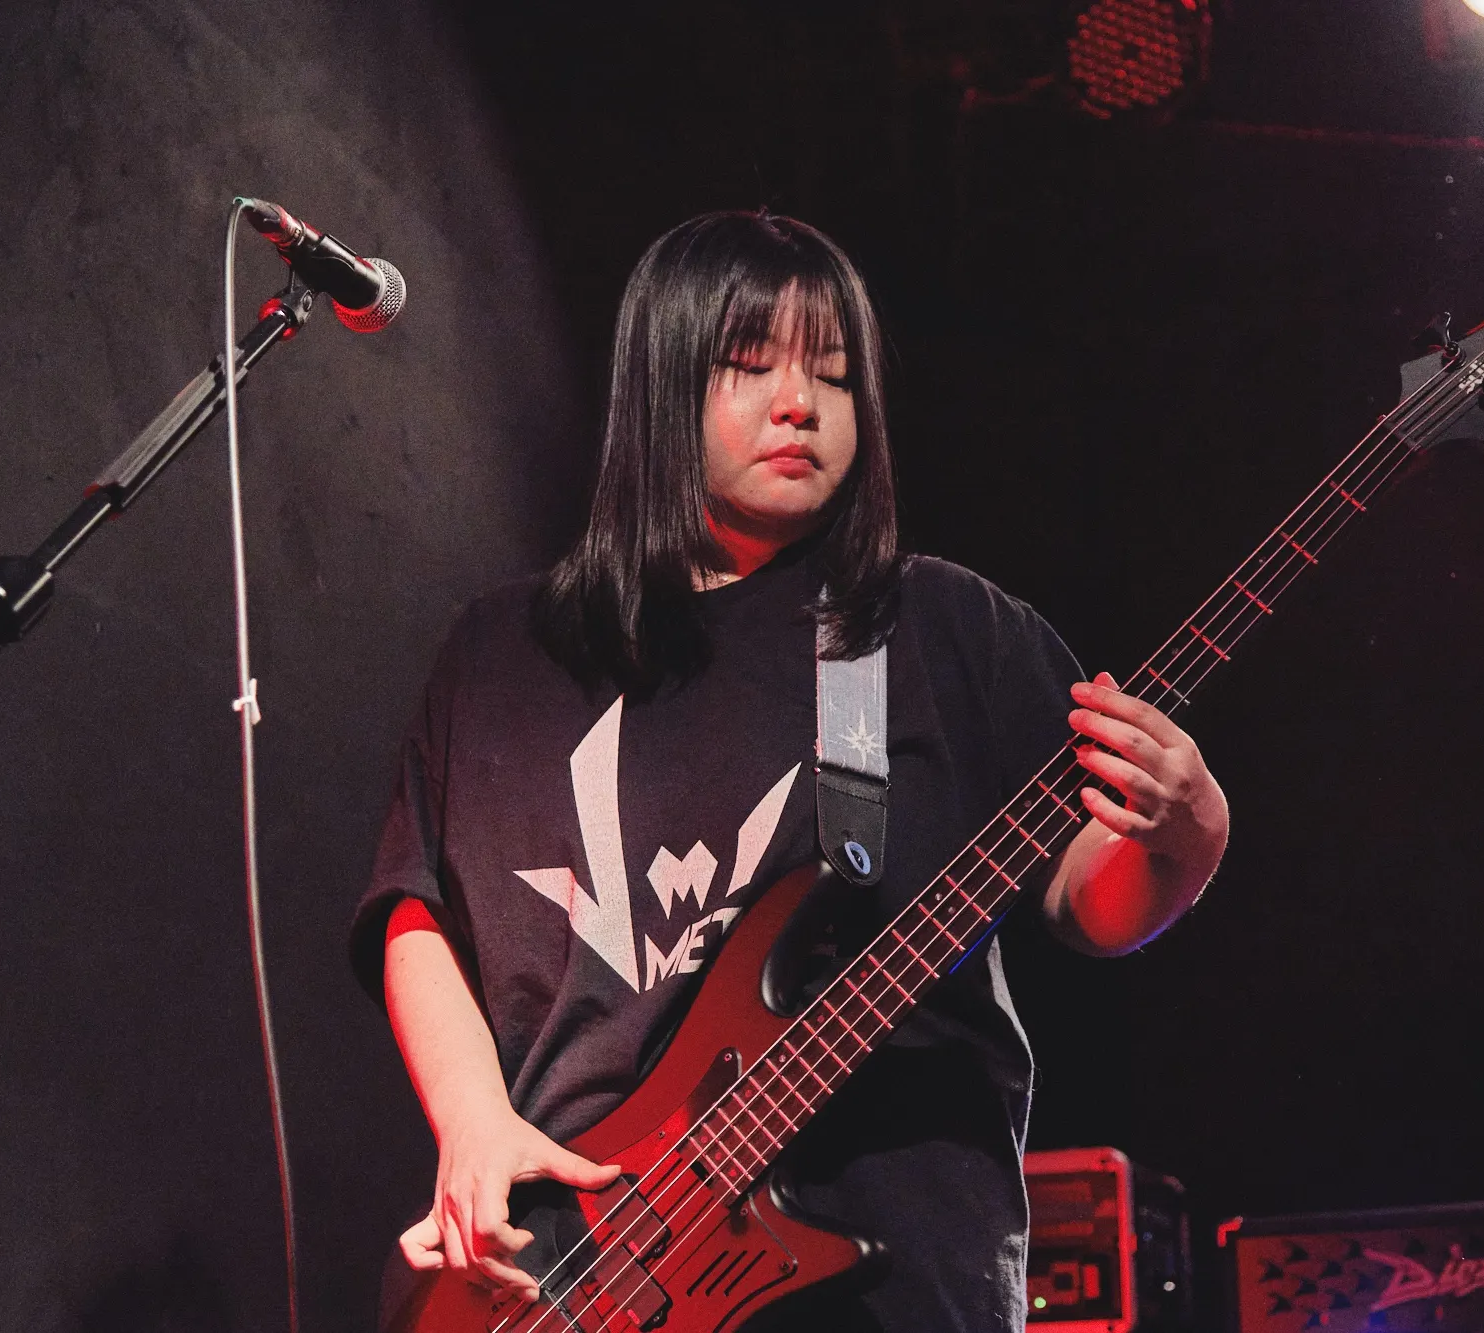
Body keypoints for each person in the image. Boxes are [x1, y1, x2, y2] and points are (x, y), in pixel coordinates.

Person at [349, 210, 1228, 1333]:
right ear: (662, 380)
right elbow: (413, 905)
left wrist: (1188, 830)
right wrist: (472, 1119)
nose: (801, 402)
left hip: (894, 1285)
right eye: (750, 363)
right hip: (578, 1272)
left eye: (836, 373)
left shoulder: (941, 629)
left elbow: (1087, 904)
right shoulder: (501, 652)